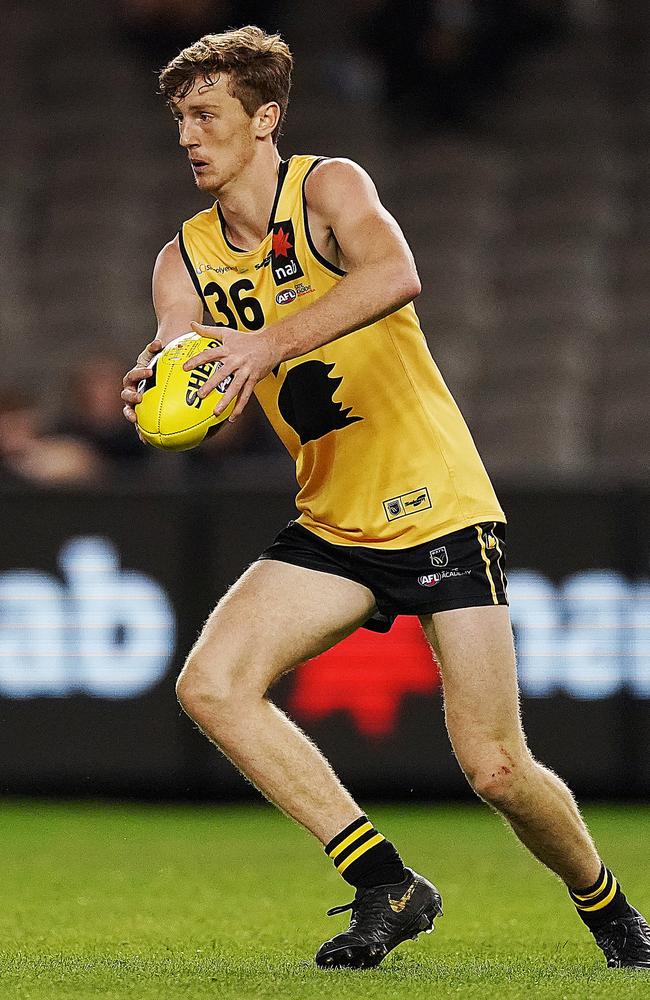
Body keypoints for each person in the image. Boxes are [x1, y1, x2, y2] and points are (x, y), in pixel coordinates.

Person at [121, 25, 650, 971]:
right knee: (212, 684)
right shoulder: (184, 258)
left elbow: (397, 274)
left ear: (265, 118)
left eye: (208, 114)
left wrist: (265, 345)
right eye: (181, 119)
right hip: (333, 521)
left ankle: (610, 913)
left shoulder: (328, 187)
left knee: (496, 768)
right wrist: (162, 387)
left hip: (437, 504)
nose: (190, 135)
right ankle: (386, 885)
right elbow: (185, 348)